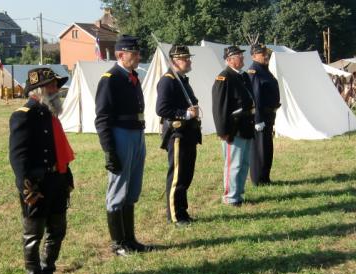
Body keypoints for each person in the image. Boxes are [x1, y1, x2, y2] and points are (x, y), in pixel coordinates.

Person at [9, 68, 74, 274]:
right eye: (51, 85)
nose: (56, 89)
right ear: (38, 89)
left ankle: (48, 271)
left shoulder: (50, 112)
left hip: (57, 178)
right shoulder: (23, 114)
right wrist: (27, 187)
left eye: (56, 84)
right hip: (37, 184)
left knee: (58, 229)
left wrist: (66, 176)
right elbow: (18, 158)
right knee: (33, 235)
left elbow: (60, 149)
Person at [95, 35, 154, 256]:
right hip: (120, 134)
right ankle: (118, 243)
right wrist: (109, 150)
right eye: (134, 53)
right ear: (121, 54)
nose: (138, 56)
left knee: (133, 188)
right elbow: (102, 118)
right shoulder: (110, 78)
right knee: (118, 189)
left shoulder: (132, 76)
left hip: (136, 133)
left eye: (138, 53)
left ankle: (130, 239)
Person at [156, 45, 201, 226]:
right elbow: (161, 109)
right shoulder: (168, 80)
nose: (189, 61)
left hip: (188, 133)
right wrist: (186, 114)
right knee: (177, 176)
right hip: (177, 134)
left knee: (186, 176)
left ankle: (182, 212)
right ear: (174, 61)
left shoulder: (182, 80)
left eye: (189, 58)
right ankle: (175, 215)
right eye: (185, 58)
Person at [212, 46, 255, 206]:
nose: (242, 58)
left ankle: (239, 194)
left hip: (245, 126)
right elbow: (219, 108)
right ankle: (230, 198)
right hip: (233, 129)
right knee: (233, 165)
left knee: (244, 163)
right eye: (238, 56)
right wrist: (223, 131)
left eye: (241, 56)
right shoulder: (224, 78)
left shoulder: (242, 76)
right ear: (229, 60)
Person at [247, 43, 281, 186]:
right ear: (254, 56)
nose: (266, 56)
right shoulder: (254, 71)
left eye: (267, 53)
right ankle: (258, 179)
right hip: (261, 116)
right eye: (263, 54)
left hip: (269, 115)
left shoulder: (264, 70)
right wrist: (258, 119)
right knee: (259, 149)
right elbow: (256, 97)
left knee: (267, 148)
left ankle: (265, 177)